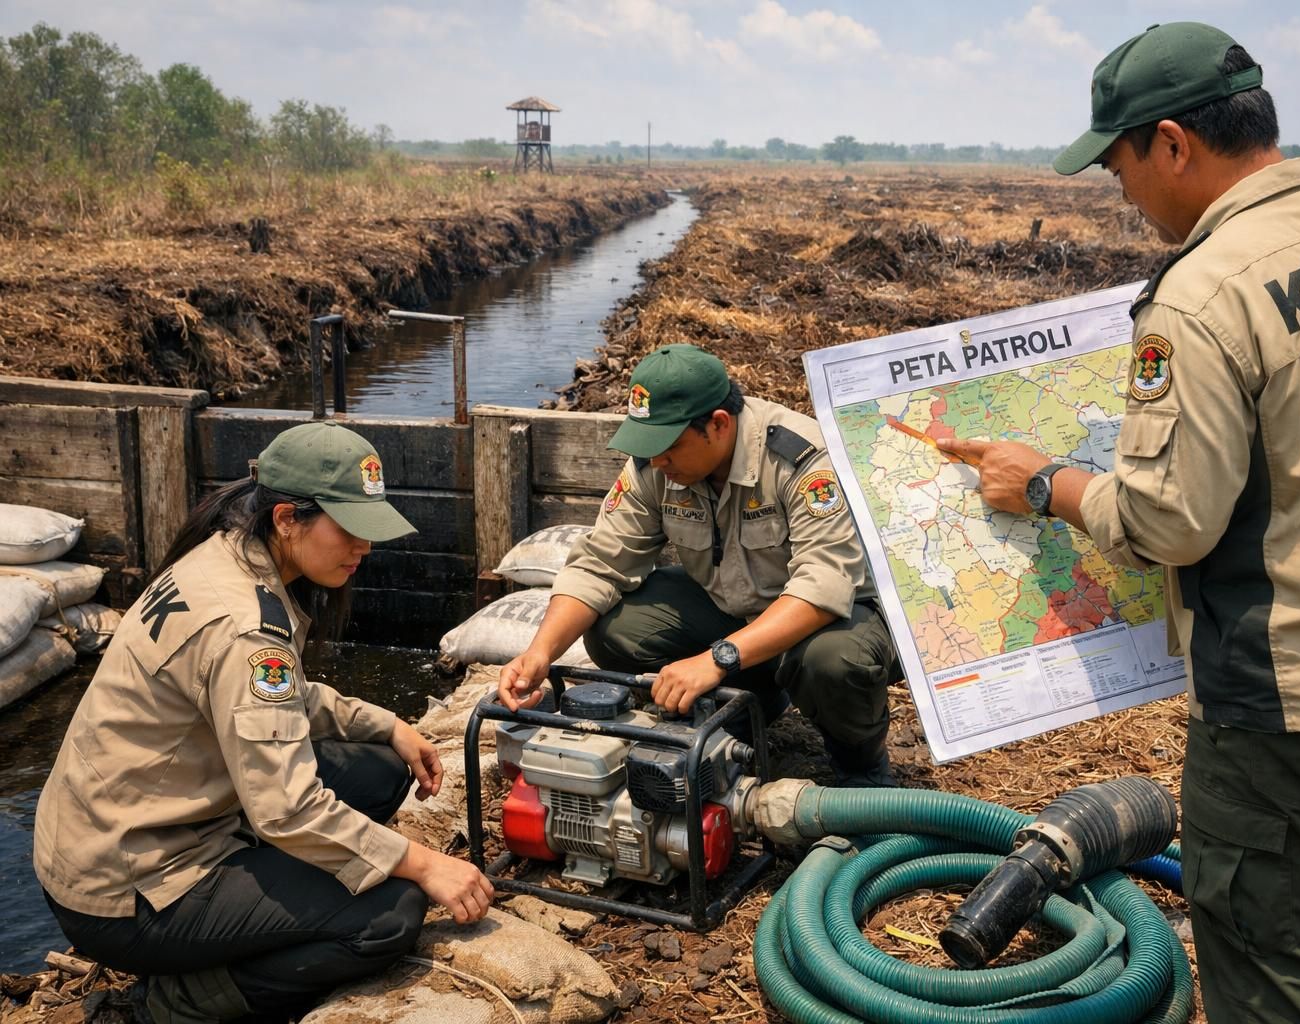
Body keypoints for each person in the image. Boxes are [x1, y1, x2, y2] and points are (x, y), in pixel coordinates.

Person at [937, 22, 1300, 1024]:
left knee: (1270, 964)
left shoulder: (1201, 295)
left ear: (1173, 143)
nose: (1122, 192)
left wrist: (1048, 486)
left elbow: (1170, 521)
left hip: (1296, 704)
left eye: (1121, 163)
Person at [34, 421, 495, 1024]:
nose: (365, 548)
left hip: (120, 831)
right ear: (286, 519)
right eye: (351, 530)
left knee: (381, 771)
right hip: (130, 884)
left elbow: (279, 700)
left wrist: (386, 725)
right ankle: (169, 1004)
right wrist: (426, 862)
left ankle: (242, 922)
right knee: (389, 915)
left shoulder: (223, 554)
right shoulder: (246, 627)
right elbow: (289, 808)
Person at [498, 343, 900, 786]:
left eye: (668, 447)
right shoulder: (656, 465)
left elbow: (821, 590)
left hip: (832, 620)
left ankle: (859, 766)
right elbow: (599, 564)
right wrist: (540, 652)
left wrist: (716, 659)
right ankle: (753, 704)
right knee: (614, 629)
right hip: (733, 606)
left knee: (834, 661)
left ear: (719, 425)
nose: (656, 461)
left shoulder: (800, 459)